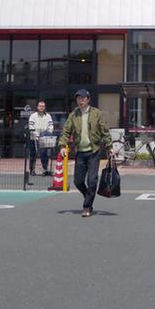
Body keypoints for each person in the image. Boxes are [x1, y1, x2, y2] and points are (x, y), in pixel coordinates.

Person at [60, 89, 113, 217]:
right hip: (80, 152)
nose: (81, 100)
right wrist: (63, 145)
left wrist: (109, 147)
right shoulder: (74, 115)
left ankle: (87, 206)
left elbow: (104, 131)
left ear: (88, 99)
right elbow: (66, 131)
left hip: (94, 151)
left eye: (83, 98)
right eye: (78, 98)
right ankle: (88, 197)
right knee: (78, 181)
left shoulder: (96, 113)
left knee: (92, 181)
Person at [27, 100, 54, 175]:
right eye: (40, 106)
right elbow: (31, 126)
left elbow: (51, 126)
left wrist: (48, 134)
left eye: (43, 106)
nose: (41, 107)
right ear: (37, 107)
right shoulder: (33, 116)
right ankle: (32, 170)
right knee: (33, 154)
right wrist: (36, 135)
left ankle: (45, 170)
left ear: (45, 107)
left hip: (44, 138)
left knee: (44, 154)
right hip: (34, 138)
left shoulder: (48, 116)